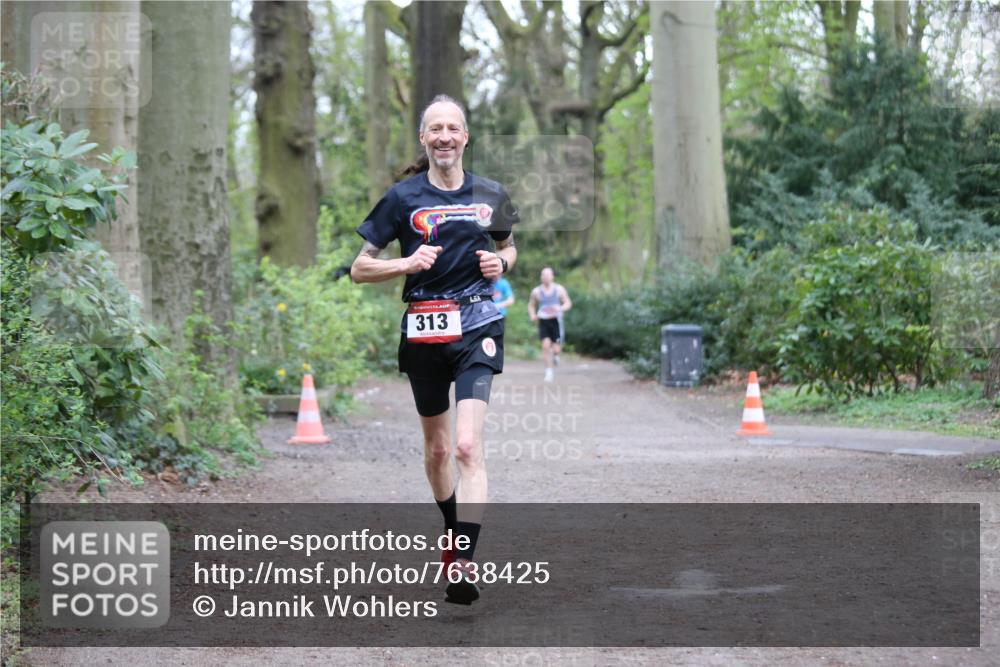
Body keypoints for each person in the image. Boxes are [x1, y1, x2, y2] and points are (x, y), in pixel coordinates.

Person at [350, 94, 519, 606]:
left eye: (453, 128)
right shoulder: (402, 198)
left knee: (467, 446)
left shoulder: (492, 194)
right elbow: (359, 268)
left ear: (466, 137)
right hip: (424, 329)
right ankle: (452, 530)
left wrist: (501, 264)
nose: (445, 136)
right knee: (439, 451)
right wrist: (405, 264)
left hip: (478, 324)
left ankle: (464, 560)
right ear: (424, 139)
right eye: (435, 129)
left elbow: (508, 245)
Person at [528, 267, 571, 382]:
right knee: (545, 346)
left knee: (556, 348)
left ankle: (556, 355)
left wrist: (560, 308)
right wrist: (532, 315)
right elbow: (531, 305)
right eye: (543, 275)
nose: (545, 277)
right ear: (541, 277)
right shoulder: (536, 291)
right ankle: (549, 371)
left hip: (556, 321)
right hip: (543, 320)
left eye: (548, 275)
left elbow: (568, 303)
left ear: (552, 276)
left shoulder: (559, 289)